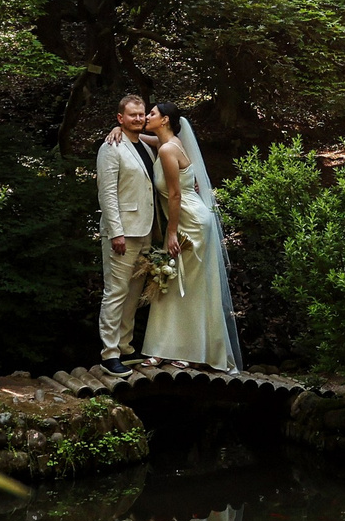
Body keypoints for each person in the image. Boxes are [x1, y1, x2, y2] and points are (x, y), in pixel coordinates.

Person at [137, 100, 242, 370]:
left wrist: (171, 234)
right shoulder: (165, 143)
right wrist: (124, 129)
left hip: (190, 224)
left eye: (152, 113)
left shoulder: (169, 150)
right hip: (185, 219)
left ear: (165, 121)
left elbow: (175, 194)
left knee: (188, 287)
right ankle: (163, 348)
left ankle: (191, 350)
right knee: (171, 284)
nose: (147, 116)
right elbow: (148, 138)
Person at [93, 92, 159, 375]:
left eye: (141, 114)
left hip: (145, 231)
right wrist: (116, 232)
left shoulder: (145, 146)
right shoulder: (111, 147)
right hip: (122, 233)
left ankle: (125, 346)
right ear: (120, 118)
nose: (139, 118)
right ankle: (109, 354)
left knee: (134, 292)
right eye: (132, 115)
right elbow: (107, 193)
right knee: (116, 292)